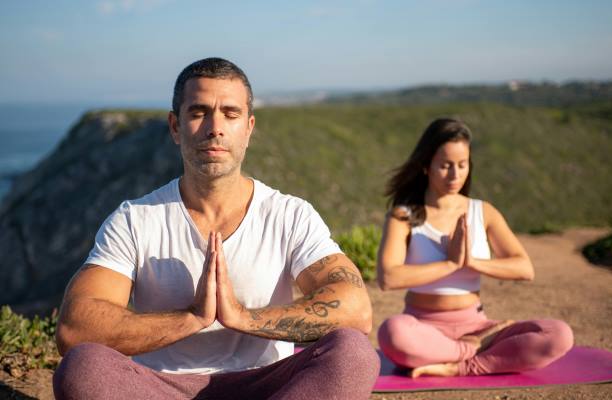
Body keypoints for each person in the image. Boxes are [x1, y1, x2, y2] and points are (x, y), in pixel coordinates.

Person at [53, 57, 379, 399]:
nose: (215, 127)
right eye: (198, 112)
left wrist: (243, 317)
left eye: (230, 113)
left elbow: (356, 309)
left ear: (249, 128)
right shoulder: (135, 219)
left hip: (269, 386)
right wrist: (191, 318)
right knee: (83, 366)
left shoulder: (289, 214)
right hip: (163, 389)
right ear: (175, 127)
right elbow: (76, 328)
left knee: (352, 353)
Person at [376, 118, 573, 378]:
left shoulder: (484, 212)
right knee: (392, 333)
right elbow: (388, 278)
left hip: (478, 325)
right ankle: (471, 351)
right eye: (445, 165)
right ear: (426, 165)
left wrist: (472, 262)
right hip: (424, 328)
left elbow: (524, 268)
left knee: (559, 335)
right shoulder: (404, 216)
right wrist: (450, 264)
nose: (455, 175)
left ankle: (461, 364)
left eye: (462, 165)